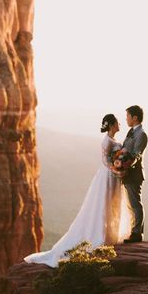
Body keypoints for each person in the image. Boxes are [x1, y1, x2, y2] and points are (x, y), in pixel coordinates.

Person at [23, 113, 132, 267]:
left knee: (113, 204)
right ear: (112, 125)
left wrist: (120, 168)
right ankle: (101, 235)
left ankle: (111, 234)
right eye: (117, 122)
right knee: (104, 205)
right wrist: (116, 169)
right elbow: (105, 160)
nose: (120, 124)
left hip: (114, 177)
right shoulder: (106, 141)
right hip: (107, 176)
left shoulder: (115, 140)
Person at [121, 105, 148, 243]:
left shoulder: (141, 134)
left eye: (127, 116)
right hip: (127, 174)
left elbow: (136, 154)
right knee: (131, 204)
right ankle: (134, 230)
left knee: (136, 204)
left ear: (135, 117)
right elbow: (125, 148)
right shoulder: (131, 132)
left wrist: (126, 165)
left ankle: (137, 233)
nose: (126, 119)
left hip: (134, 174)